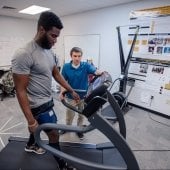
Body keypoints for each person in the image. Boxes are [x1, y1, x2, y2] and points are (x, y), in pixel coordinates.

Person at [11, 11, 80, 170]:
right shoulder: (24, 53)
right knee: (54, 133)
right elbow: (20, 90)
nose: (55, 41)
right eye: (53, 36)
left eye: (57, 36)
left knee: (38, 127)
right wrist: (30, 120)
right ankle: (63, 165)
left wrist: (71, 90)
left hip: (47, 100)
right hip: (37, 105)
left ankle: (31, 145)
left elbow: (56, 73)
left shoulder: (49, 51)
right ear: (42, 30)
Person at [59, 47, 102, 139]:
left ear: (81, 57)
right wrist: (61, 92)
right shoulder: (66, 67)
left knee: (81, 115)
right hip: (70, 96)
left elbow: (95, 70)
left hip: (83, 96)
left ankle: (79, 130)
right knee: (69, 115)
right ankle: (67, 128)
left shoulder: (85, 65)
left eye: (79, 56)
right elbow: (63, 81)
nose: (77, 58)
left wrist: (100, 72)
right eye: (75, 56)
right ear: (71, 56)